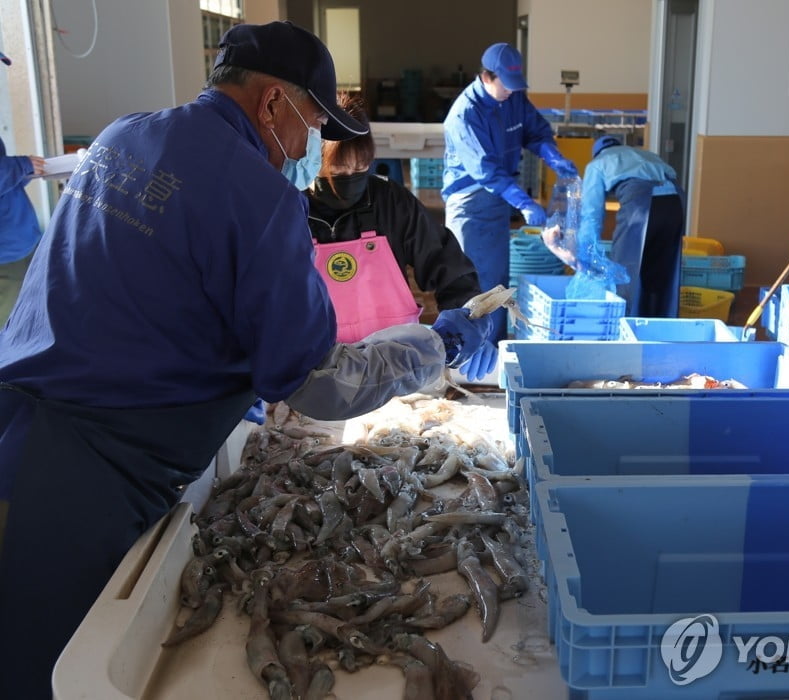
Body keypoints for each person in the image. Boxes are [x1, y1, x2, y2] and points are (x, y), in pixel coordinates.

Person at [0, 21, 491, 700]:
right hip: (84, 478)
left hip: (13, 422)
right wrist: (435, 345)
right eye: (312, 124)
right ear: (270, 104)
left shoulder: (123, 135)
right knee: (49, 673)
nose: (306, 146)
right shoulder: (260, 198)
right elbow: (318, 384)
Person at [307, 93, 496, 382]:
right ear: (311, 159)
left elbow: (448, 267)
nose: (350, 178)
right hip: (314, 372)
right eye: (337, 171)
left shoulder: (391, 202)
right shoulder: (290, 208)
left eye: (359, 169)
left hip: (394, 368)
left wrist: (468, 318)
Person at [442, 41, 578, 341]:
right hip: (470, 203)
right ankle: (467, 359)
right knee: (471, 285)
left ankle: (496, 351)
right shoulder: (465, 114)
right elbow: (486, 170)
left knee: (497, 285)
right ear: (487, 76)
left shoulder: (514, 98)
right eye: (506, 84)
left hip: (499, 200)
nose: (511, 91)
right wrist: (525, 202)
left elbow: (536, 131)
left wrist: (552, 156)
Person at [578, 135, 685, 318]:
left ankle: (622, 325)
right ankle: (659, 326)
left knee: (624, 270)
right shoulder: (646, 155)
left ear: (596, 153)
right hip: (675, 205)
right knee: (661, 272)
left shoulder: (597, 164)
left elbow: (591, 214)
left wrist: (585, 253)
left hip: (642, 204)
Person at [0, 135, 44, 325]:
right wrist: (20, 166)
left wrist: (24, 172)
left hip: (23, 241)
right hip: (7, 255)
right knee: (10, 322)